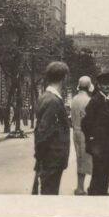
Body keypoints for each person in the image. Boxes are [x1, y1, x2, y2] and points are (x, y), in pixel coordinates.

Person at [32, 61, 70, 195]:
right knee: (49, 194)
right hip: (52, 160)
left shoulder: (45, 97)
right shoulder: (53, 101)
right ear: (64, 78)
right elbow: (43, 131)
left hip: (48, 159)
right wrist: (41, 159)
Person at [83, 71, 109, 195]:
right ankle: (96, 195)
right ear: (99, 85)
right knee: (100, 174)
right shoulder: (96, 101)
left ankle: (99, 193)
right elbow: (86, 124)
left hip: (104, 146)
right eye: (105, 84)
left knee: (103, 174)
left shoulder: (105, 101)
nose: (108, 87)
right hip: (99, 146)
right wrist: (92, 142)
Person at [70, 76, 94, 195]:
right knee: (86, 160)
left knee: (80, 159)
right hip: (85, 132)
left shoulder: (74, 99)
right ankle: (82, 188)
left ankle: (80, 187)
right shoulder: (89, 100)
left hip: (75, 132)